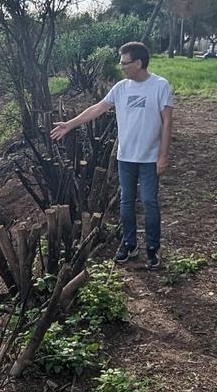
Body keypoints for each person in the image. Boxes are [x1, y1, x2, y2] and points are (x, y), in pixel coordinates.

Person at [50, 41, 174, 269]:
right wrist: (70, 124)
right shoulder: (120, 88)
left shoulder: (160, 86)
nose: (121, 66)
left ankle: (153, 249)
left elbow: (167, 123)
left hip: (149, 158)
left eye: (124, 62)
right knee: (126, 202)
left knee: (149, 202)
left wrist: (163, 156)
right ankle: (129, 244)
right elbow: (97, 108)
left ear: (138, 63)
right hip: (125, 157)